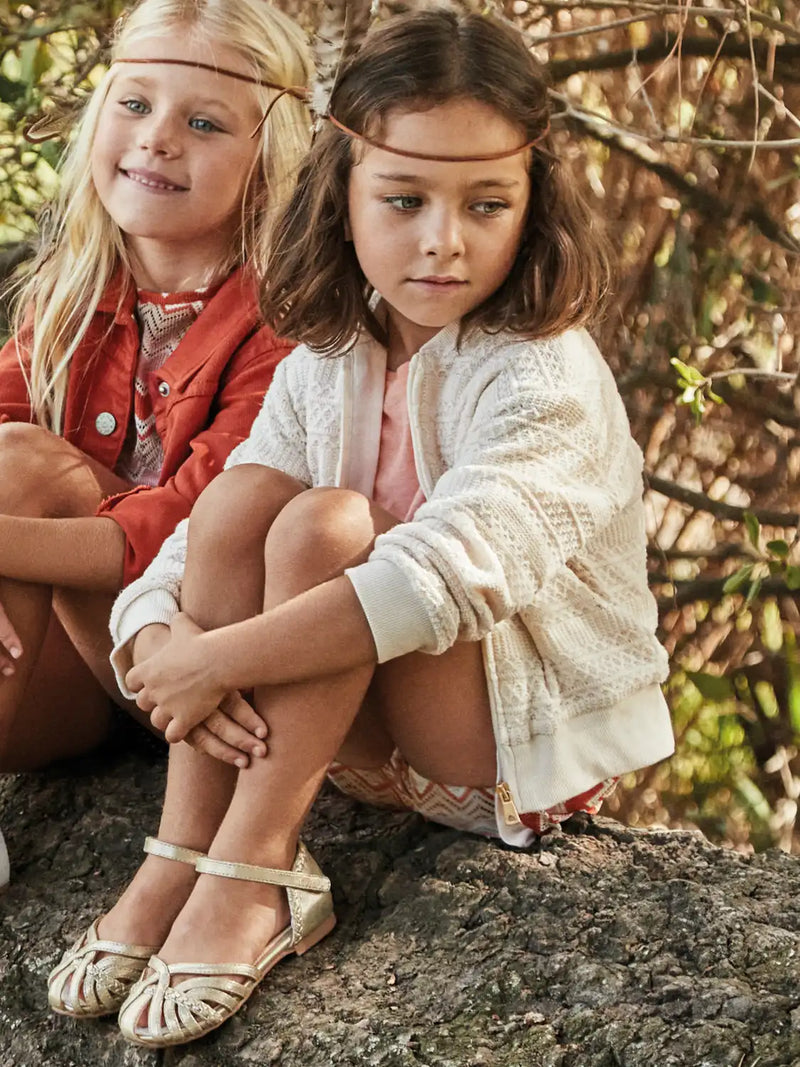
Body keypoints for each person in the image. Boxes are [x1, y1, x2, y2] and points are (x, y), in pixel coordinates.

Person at [48, 7, 675, 1046]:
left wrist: (215, 657)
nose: (442, 239)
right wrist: (159, 634)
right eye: (402, 198)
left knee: (328, 524)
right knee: (252, 501)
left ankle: (255, 875)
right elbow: (204, 531)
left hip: (496, 740)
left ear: (532, 203)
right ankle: (181, 844)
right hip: (348, 724)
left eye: (486, 203)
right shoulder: (328, 354)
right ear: (340, 194)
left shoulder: (539, 370)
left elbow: (446, 578)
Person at [0, 0, 312, 880]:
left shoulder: (284, 326)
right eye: (134, 104)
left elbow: (183, 523)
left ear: (267, 160)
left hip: (196, 671)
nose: (158, 138)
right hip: (75, 671)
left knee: (23, 464)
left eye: (203, 122)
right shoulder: (72, 291)